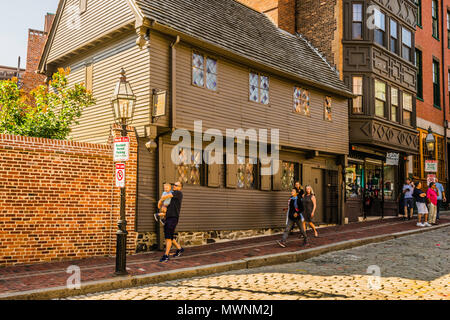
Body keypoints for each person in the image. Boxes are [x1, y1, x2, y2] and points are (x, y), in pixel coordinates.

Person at [159, 182, 184, 263]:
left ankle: (166, 255)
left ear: (180, 187)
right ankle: (180, 249)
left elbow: (167, 196)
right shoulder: (171, 194)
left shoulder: (178, 193)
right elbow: (162, 205)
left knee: (168, 237)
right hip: (168, 217)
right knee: (169, 235)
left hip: (173, 218)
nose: (174, 186)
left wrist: (161, 198)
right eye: (174, 185)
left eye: (176, 185)